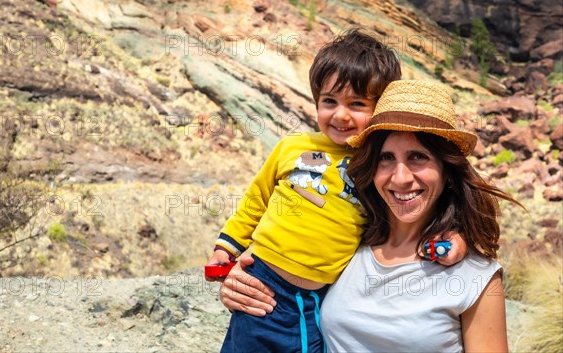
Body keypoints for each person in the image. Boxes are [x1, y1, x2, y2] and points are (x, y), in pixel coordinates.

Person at [208, 30, 468, 353]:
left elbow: (409, 211)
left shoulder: (375, 165)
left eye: (357, 104)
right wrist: (226, 249)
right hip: (260, 277)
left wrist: (453, 236)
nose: (340, 115)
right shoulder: (292, 148)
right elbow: (255, 201)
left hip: (313, 301)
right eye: (329, 101)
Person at [222, 80, 521, 353]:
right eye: (386, 159)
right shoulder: (348, 250)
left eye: (418, 157)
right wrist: (238, 280)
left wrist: (459, 234)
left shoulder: (476, 278)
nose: (400, 177)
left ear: (448, 172)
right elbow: (291, 267)